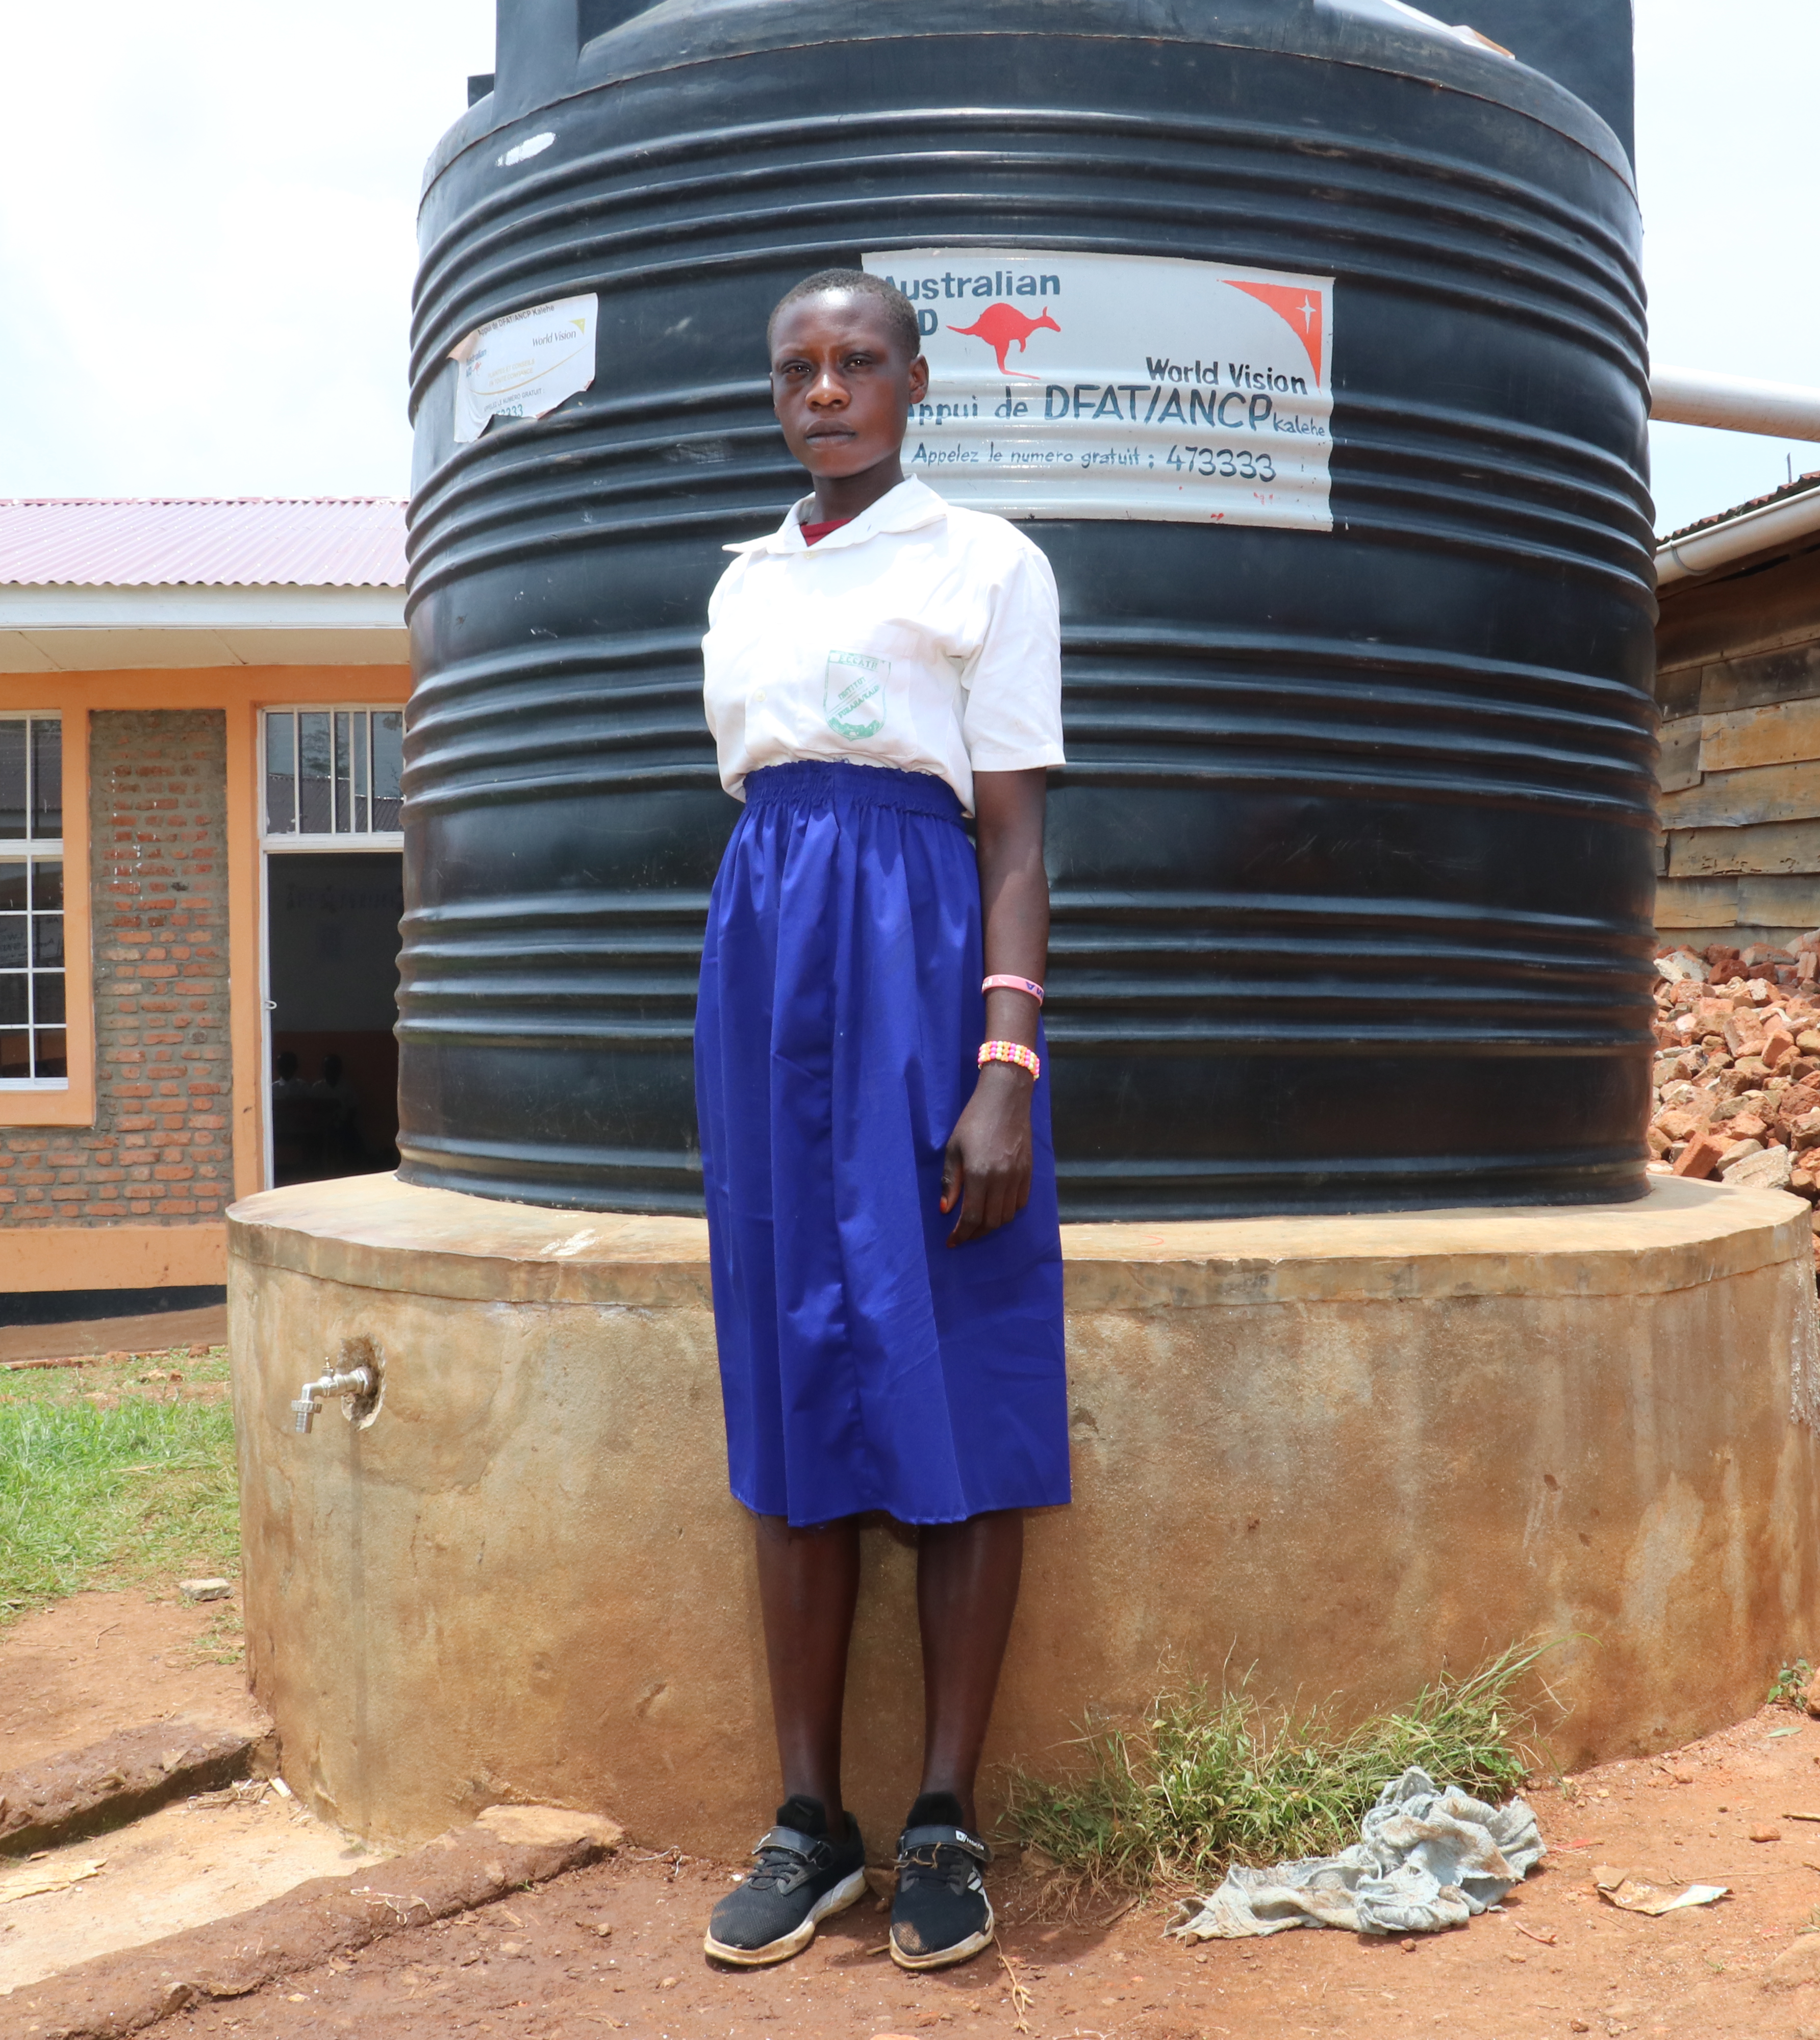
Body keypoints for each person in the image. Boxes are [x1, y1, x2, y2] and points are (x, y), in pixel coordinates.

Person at [692, 268, 1067, 1975]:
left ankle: (940, 1819)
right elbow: (765, 813)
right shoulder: (745, 584)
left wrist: (1006, 1065)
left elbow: (1010, 839)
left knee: (952, 1372)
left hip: (924, 967)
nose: (825, 391)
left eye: (858, 364)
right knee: (791, 1386)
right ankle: (807, 1818)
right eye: (799, 370)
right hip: (772, 977)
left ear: (919, 383)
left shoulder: (984, 563)